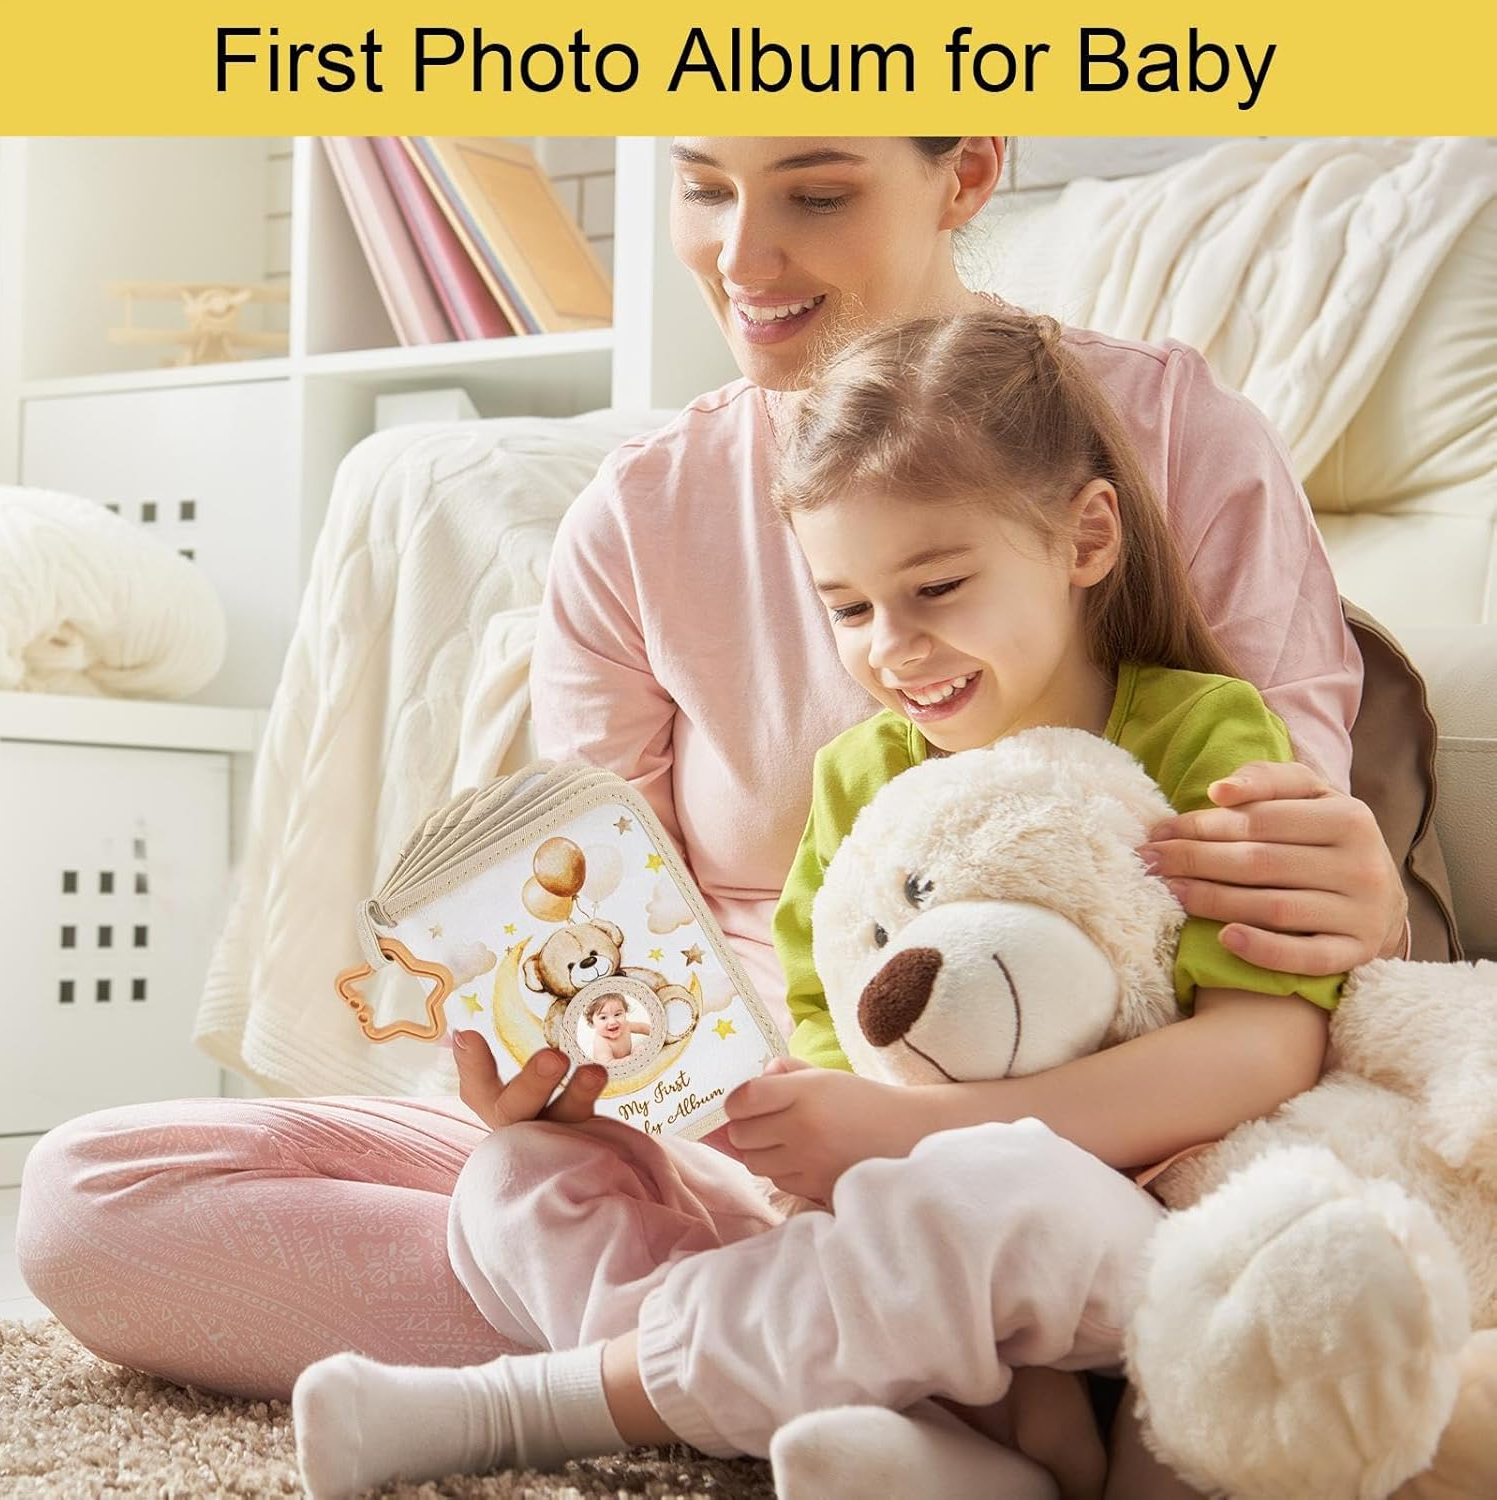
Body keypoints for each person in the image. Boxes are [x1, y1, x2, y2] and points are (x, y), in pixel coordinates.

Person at [17, 137, 1407, 1491]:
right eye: (699, 187)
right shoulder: (642, 522)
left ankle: (670, 1373)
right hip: (756, 1144)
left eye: (816, 188)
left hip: (1102, 1154)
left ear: (967, 172)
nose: (743, 257)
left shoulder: (1167, 437)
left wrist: (1358, 897)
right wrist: (557, 1066)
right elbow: (614, 922)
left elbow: (1281, 948)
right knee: (94, 1196)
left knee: (1162, 1239)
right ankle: (868, 1368)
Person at [289, 307, 1347, 1500]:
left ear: (1085, 537)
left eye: (937, 586)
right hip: (907, 1253)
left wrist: (914, 1142)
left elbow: (1272, 1045)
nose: (894, 648)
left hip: (1132, 1237)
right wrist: (614, 1104)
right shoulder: (860, 785)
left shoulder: (1205, 735)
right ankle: (978, 1455)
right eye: (847, 608)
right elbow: (834, 1065)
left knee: (985, 1199)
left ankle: (547, 1403)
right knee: (515, 1183)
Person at [585, 993, 651, 1064]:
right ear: (592, 1021)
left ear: (625, 1013)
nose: (612, 1022)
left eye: (617, 1014)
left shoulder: (625, 1025)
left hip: (626, 1062)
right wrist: (632, 1057)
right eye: (603, 1017)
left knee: (640, 1048)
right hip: (611, 1071)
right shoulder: (601, 1043)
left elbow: (642, 1028)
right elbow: (608, 1065)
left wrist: (656, 1033)